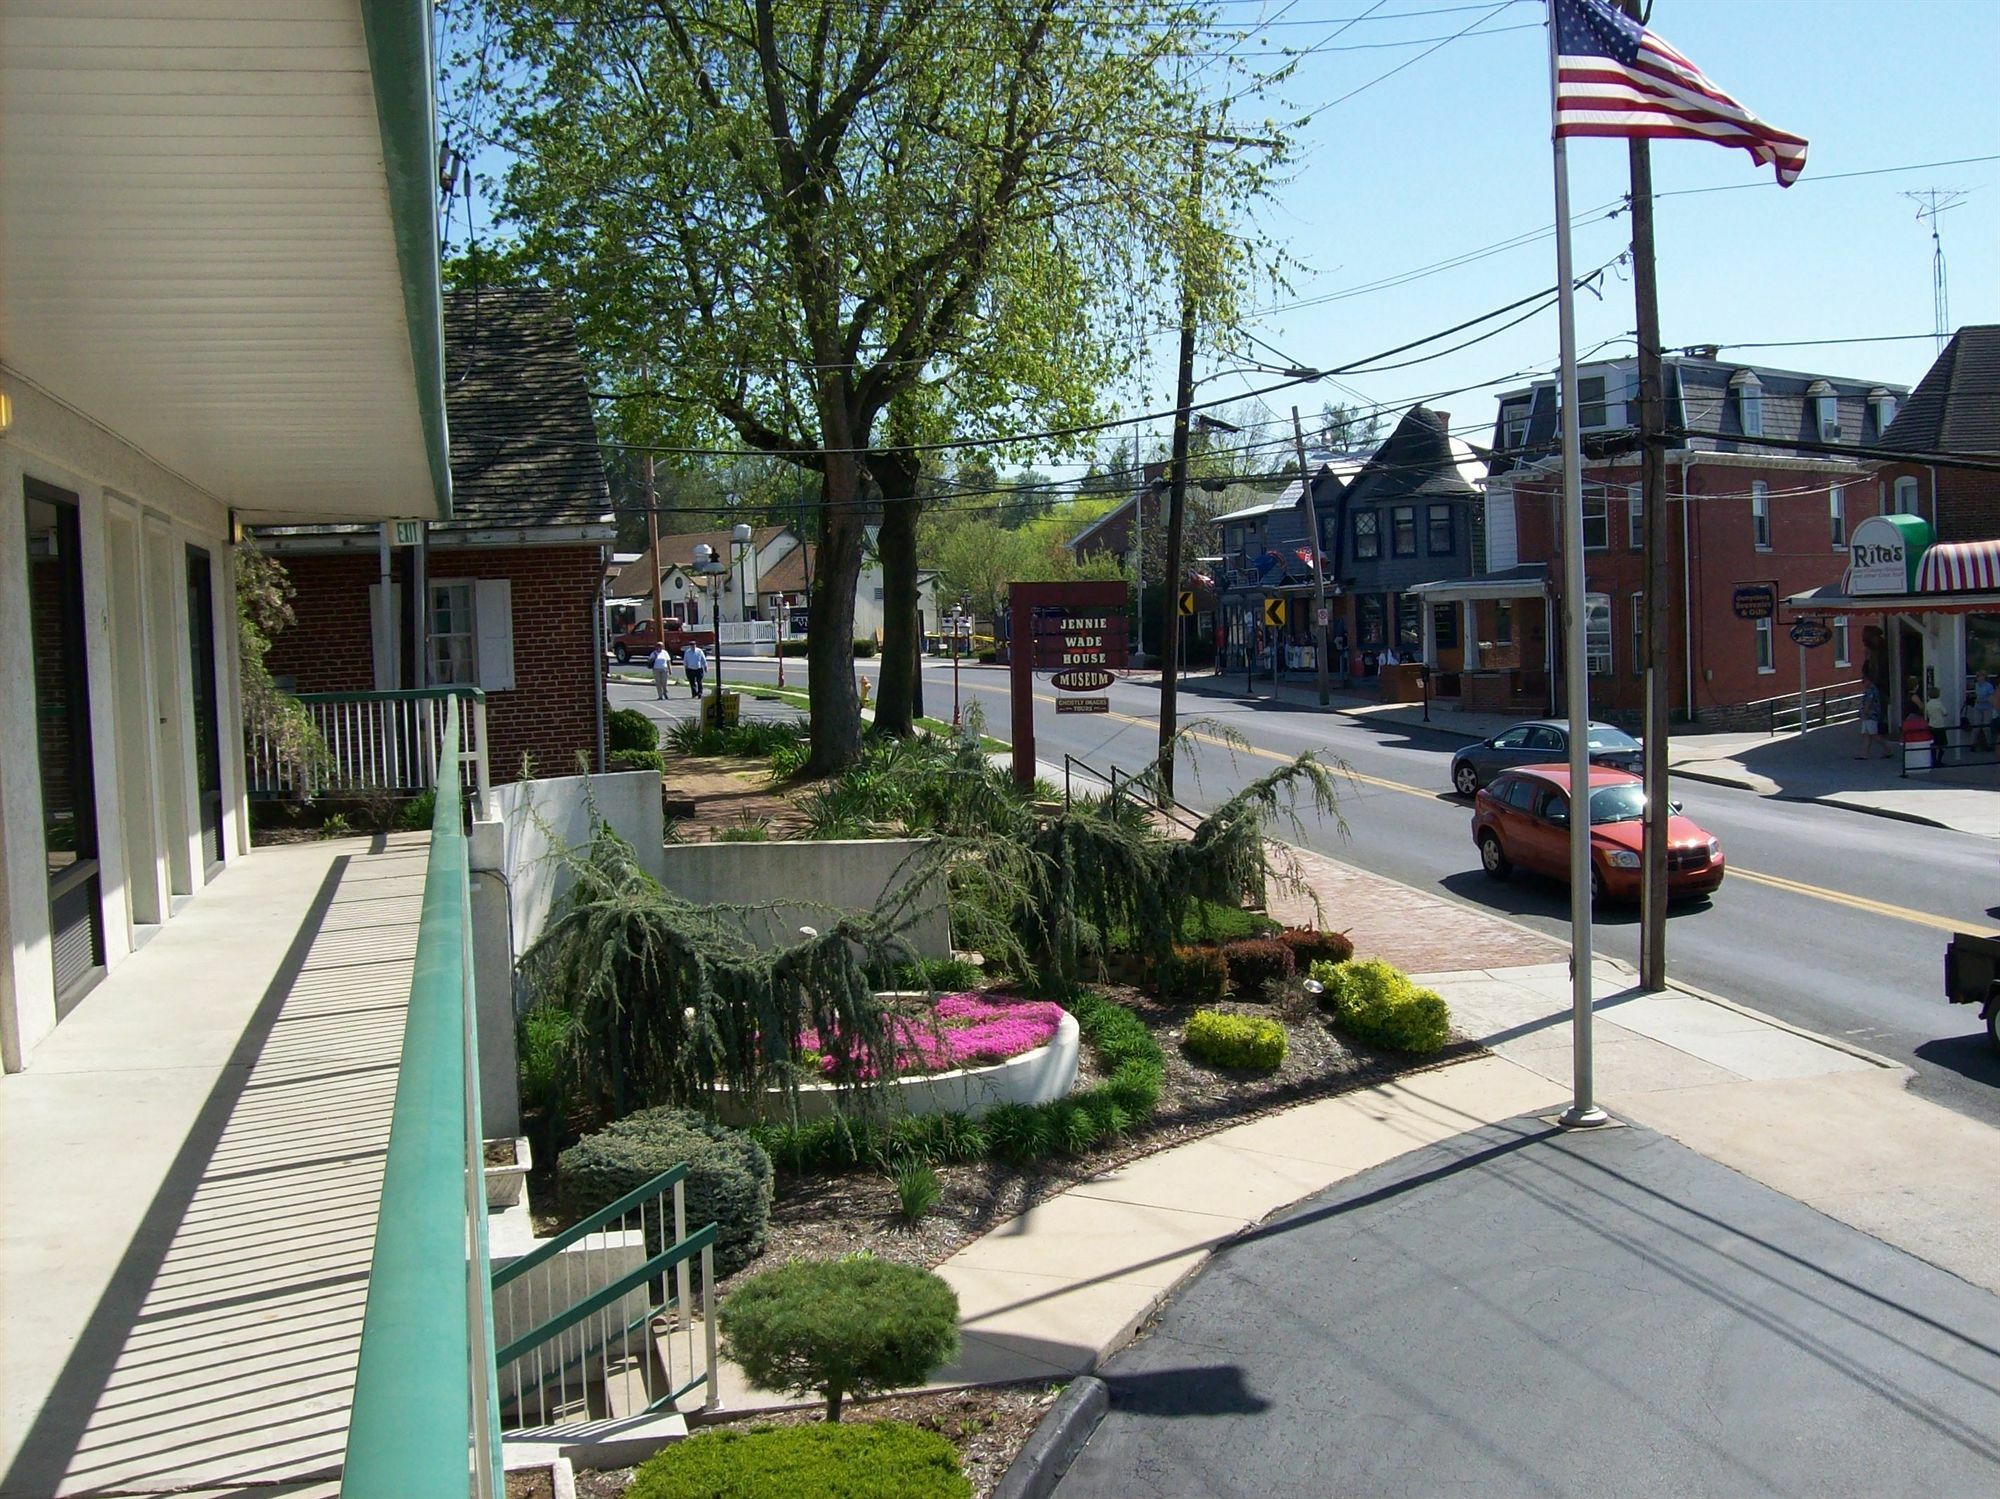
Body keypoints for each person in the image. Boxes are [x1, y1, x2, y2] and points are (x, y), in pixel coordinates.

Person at [1858, 678, 1886, 759]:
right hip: (1868, 715)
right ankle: (1864, 754)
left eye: (1864, 681)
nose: (1863, 683)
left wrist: (1864, 712)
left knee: (1873, 734)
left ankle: (1887, 749)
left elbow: (1868, 702)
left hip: (1870, 715)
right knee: (1867, 734)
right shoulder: (1870, 690)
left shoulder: (1871, 690)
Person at [1972, 672, 1995, 752]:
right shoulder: (1976, 685)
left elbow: (1992, 697)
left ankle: (1989, 744)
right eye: (1978, 676)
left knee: (1986, 727)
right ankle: (1973, 744)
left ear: (1984, 677)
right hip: (1978, 707)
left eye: (1980, 676)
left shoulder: (1989, 686)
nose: (1979, 678)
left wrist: (1984, 700)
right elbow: (1976, 694)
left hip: (1987, 708)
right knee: (1976, 727)